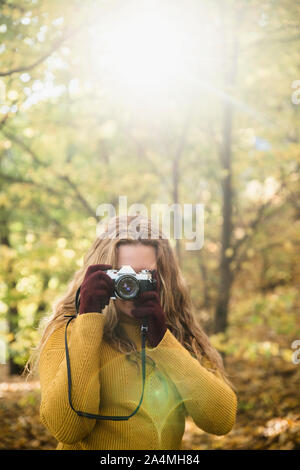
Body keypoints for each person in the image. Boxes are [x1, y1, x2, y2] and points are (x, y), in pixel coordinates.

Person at [32, 215, 237, 450]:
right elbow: (68, 429)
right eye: (120, 274)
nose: (129, 285)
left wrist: (163, 342)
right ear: (99, 275)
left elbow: (221, 421)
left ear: (164, 279)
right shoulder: (67, 331)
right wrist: (88, 319)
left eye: (143, 275)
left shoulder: (176, 333)